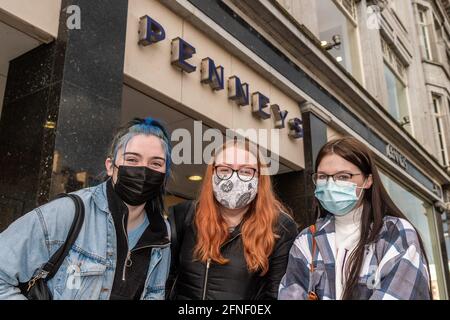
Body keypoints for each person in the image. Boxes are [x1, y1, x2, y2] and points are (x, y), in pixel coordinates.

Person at [0, 117, 172, 300]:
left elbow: (154, 293)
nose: (143, 171)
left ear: (164, 174)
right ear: (110, 166)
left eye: (156, 163)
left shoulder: (161, 232)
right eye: (132, 159)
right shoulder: (67, 213)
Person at [279, 136, 432, 300]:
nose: (331, 185)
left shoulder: (394, 234)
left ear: (368, 180)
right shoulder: (307, 240)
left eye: (343, 177)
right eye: (323, 177)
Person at [167, 139, 298, 300]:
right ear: (212, 174)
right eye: (224, 169)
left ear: (259, 179)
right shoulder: (185, 214)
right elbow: (168, 279)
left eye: (246, 171)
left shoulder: (280, 226)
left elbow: (276, 294)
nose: (233, 178)